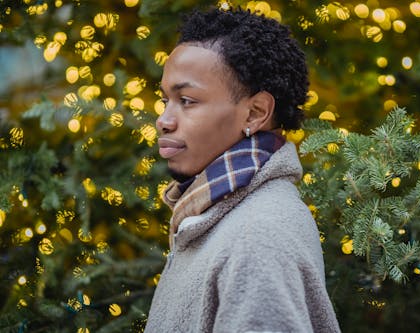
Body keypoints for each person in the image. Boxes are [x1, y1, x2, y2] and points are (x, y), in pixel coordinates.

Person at [145, 7, 341, 333]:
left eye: (188, 100)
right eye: (166, 99)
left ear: (255, 113)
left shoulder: (258, 236)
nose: (164, 120)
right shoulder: (219, 215)